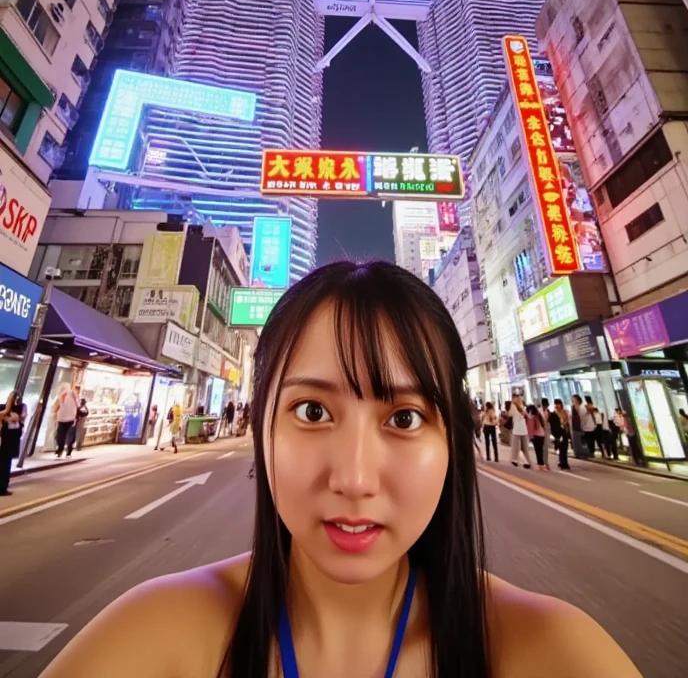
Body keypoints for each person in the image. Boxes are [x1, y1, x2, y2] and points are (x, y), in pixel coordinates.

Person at [41, 261, 641, 678]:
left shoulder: (549, 651)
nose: (354, 479)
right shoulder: (156, 635)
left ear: (451, 440)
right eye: (311, 410)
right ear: (261, 426)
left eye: (404, 419)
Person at [0, 391, 25, 496]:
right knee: (5, 465)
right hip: (6, 441)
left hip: (7, 441)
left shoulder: (15, 411)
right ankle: (2, 488)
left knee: (5, 464)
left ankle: (3, 487)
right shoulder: (4, 410)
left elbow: (22, 419)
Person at [52, 384, 79, 458]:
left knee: (61, 435)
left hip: (63, 419)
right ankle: (68, 452)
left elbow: (55, 407)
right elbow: (78, 405)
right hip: (70, 419)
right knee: (69, 436)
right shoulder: (73, 395)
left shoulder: (61, 396)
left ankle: (60, 450)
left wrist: (54, 413)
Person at [509, 393, 532, 468]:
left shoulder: (520, 407)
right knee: (518, 448)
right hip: (518, 429)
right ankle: (519, 461)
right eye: (517, 398)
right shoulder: (515, 407)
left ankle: (520, 461)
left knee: (521, 447)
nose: (519, 399)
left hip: (521, 429)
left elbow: (511, 414)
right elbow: (511, 414)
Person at [526, 405, 546, 470]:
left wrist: (530, 437)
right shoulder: (539, 415)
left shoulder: (532, 417)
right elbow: (543, 424)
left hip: (536, 435)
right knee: (540, 450)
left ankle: (541, 464)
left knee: (537, 450)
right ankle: (541, 464)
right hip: (542, 434)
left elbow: (532, 427)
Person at [554, 398, 571, 470]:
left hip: (565, 431)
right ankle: (562, 462)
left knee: (565, 448)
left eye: (558, 404)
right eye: (556, 404)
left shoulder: (565, 412)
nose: (557, 406)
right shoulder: (554, 413)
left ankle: (565, 462)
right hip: (559, 432)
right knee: (561, 447)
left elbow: (567, 421)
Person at [570, 394, 586, 458]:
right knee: (576, 441)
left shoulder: (581, 407)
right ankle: (578, 453)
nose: (572, 401)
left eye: (574, 399)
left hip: (578, 427)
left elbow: (582, 418)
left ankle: (580, 454)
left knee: (578, 441)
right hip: (575, 427)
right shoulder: (574, 407)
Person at [540, 397, 552, 470]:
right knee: (542, 447)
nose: (545, 407)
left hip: (546, 430)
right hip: (541, 430)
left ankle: (545, 463)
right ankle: (542, 463)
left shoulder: (548, 412)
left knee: (545, 447)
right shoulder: (539, 412)